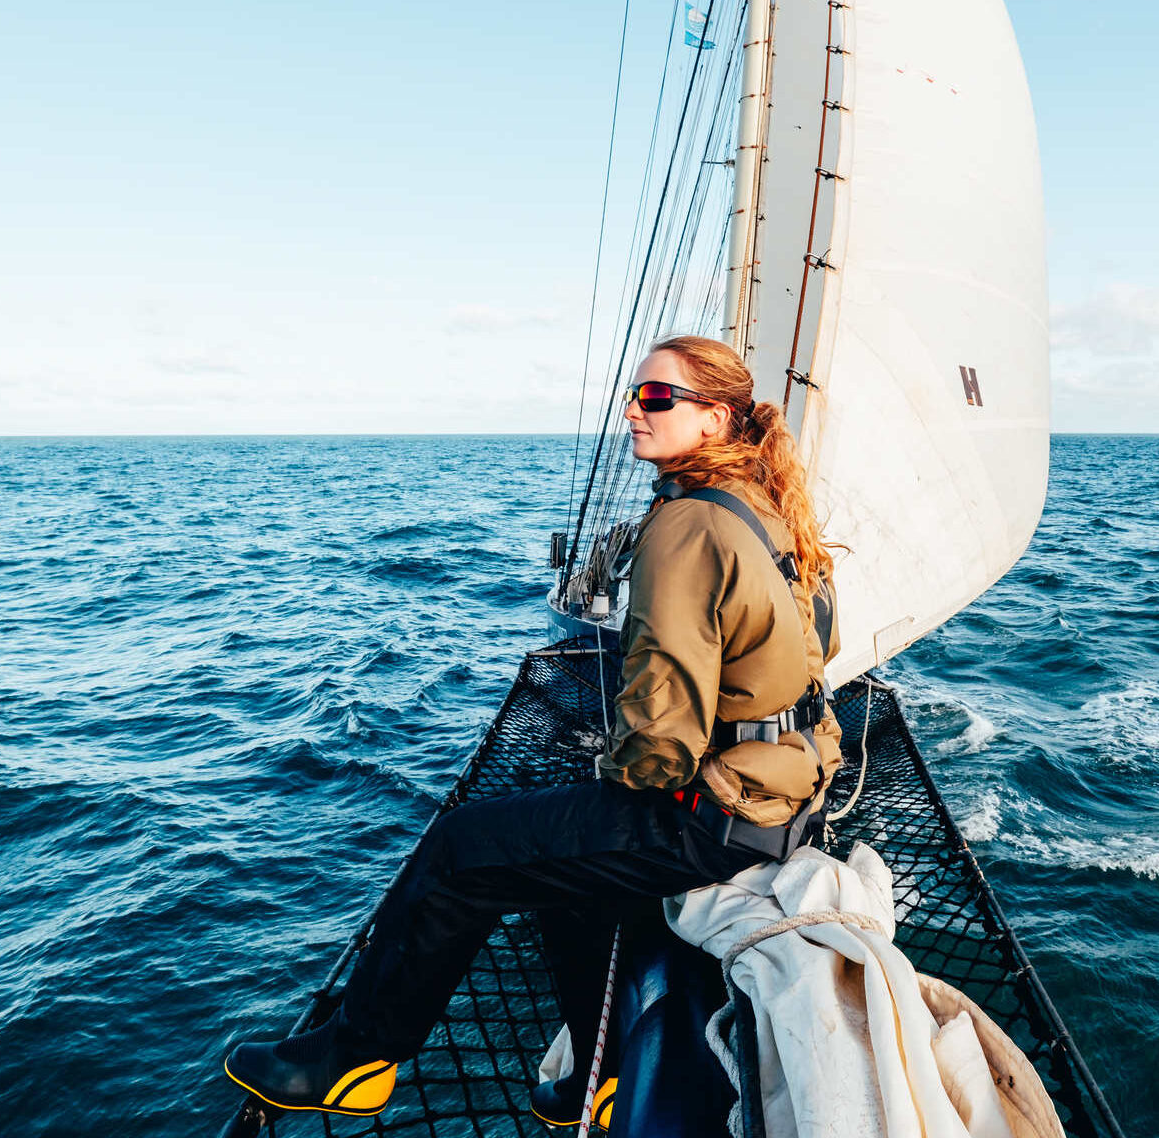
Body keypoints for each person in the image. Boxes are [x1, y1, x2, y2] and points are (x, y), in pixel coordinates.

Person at [222, 335, 843, 1121]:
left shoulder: (685, 524)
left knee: (457, 848)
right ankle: (601, 1068)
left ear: (714, 418)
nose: (632, 410)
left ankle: (354, 1059)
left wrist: (617, 774)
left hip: (714, 818)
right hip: (787, 798)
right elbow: (820, 648)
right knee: (560, 871)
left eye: (656, 397)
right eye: (635, 394)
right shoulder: (767, 508)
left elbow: (659, 738)